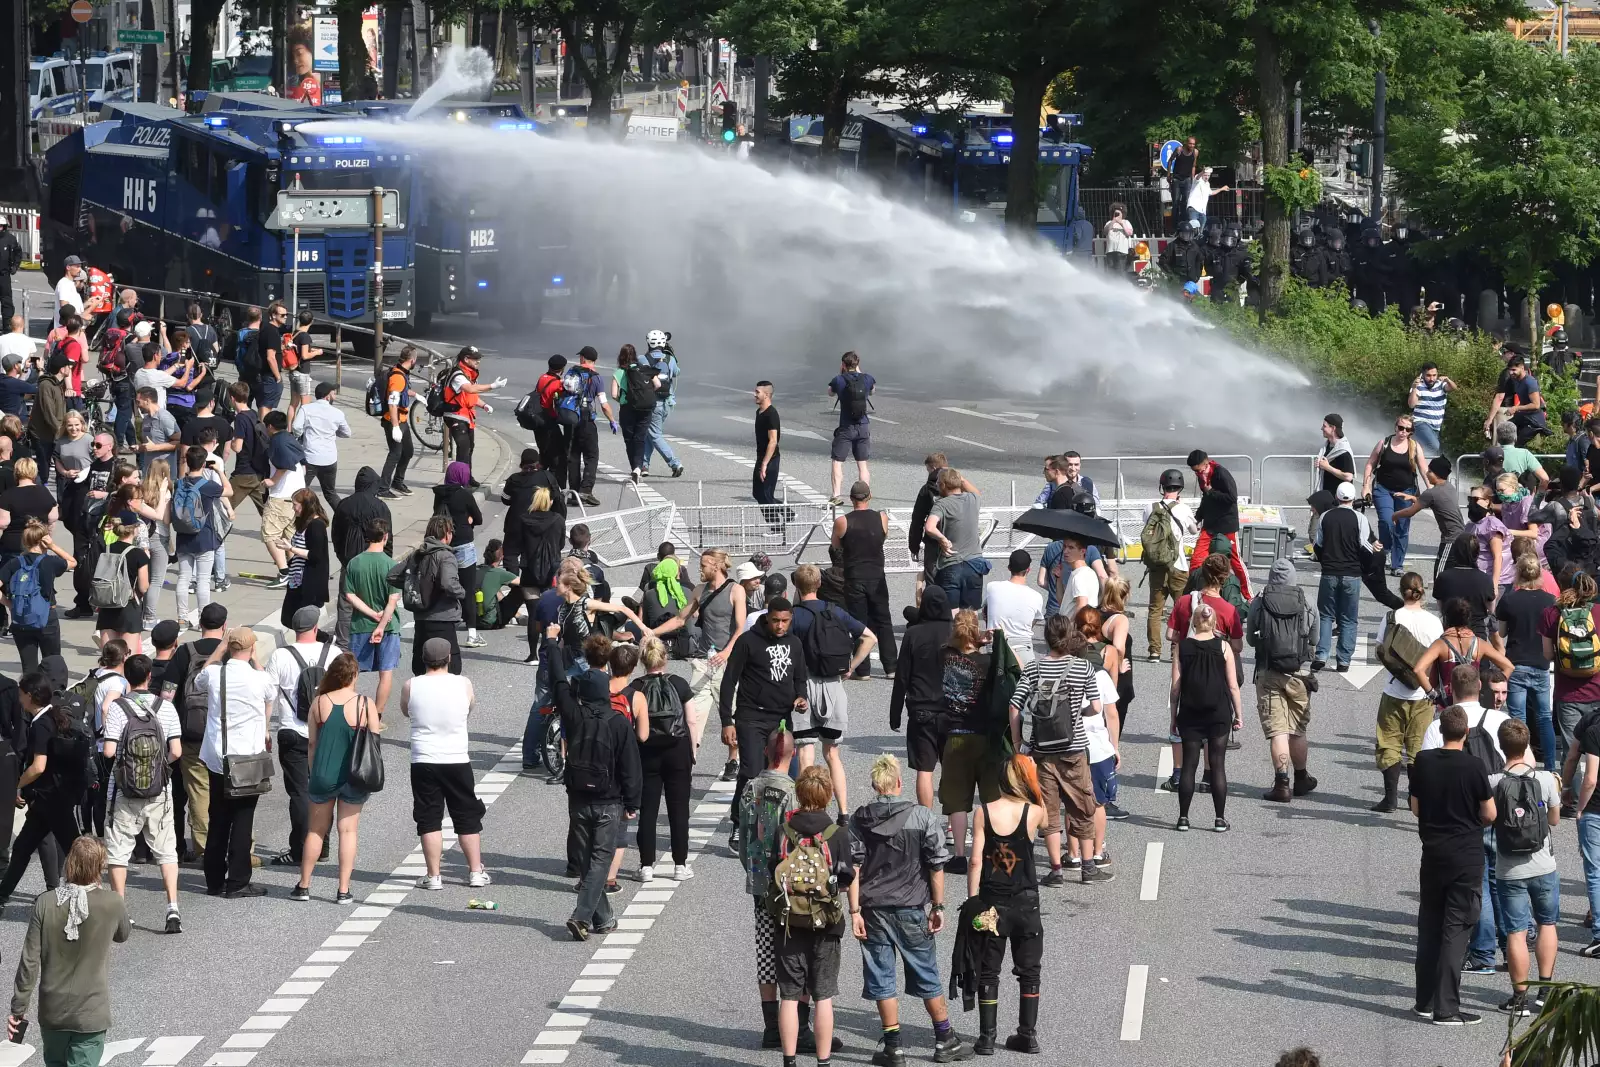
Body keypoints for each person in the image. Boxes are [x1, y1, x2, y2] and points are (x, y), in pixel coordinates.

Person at [845, 753, 965, 1065]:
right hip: (912, 907)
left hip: (872, 910)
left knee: (881, 977)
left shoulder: (860, 819)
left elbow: (853, 869)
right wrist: (938, 906)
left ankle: (893, 1045)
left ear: (875, 784)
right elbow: (937, 866)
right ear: (899, 783)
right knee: (927, 974)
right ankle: (944, 1039)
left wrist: (854, 911)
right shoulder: (922, 817)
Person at [546, 627, 641, 941]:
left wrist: (551, 643)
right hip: (609, 799)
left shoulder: (573, 716)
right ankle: (582, 916)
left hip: (577, 797)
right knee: (601, 860)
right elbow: (630, 767)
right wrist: (632, 803)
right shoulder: (617, 722)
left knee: (588, 862)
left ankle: (604, 919)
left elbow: (559, 681)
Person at [7, 836, 130, 1067]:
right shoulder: (112, 903)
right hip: (91, 1013)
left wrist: (18, 1008)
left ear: (69, 863)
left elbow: (29, 961)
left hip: (53, 1012)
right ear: (100, 867)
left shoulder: (45, 903)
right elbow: (123, 934)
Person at [1409, 704, 1495, 1026]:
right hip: (1465, 858)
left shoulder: (1424, 761)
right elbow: (1490, 814)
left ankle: (1424, 1000)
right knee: (1456, 930)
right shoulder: (1474, 767)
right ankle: (1446, 1008)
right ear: (1467, 732)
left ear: (1441, 730)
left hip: (1432, 854)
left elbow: (1416, 808)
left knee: (1429, 926)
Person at [1009, 616, 1106, 886]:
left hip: (1042, 751)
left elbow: (1015, 706)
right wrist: (1079, 713)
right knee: (1082, 806)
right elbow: (1097, 708)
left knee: (1048, 811)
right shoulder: (1083, 668)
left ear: (1047, 638)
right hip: (1074, 749)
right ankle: (1087, 867)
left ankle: (1056, 871)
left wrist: (1018, 744)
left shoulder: (1033, 668)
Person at [771, 765, 853, 1067]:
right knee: (823, 996)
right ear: (828, 795)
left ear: (799, 793)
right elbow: (846, 878)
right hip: (826, 924)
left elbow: (773, 870)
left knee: (790, 995)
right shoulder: (837, 834)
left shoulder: (784, 831)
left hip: (789, 921)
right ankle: (823, 1061)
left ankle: (789, 1060)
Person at [967, 755, 1047, 1055]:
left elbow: (976, 860)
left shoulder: (982, 812)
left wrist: (973, 900)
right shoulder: (1034, 812)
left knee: (989, 970)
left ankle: (987, 1037)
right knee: (1030, 971)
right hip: (1026, 904)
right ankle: (1027, 1034)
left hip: (991, 903)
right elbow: (1049, 822)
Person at [288, 651, 380, 905]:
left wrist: (313, 770)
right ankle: (343, 890)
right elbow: (374, 741)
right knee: (348, 830)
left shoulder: (319, 703)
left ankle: (304, 885)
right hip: (355, 776)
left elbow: (312, 744)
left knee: (316, 831)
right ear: (354, 676)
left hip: (323, 773)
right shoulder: (365, 703)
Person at [101, 653, 182, 932]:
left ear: (126, 677)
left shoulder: (117, 707)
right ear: (150, 676)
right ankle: (172, 909)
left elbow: (109, 751)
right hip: (160, 791)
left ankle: (120, 912)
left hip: (124, 791)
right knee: (166, 850)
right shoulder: (166, 707)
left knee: (118, 851)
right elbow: (176, 752)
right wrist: (158, 766)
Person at [402, 638, 490, 892]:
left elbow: (406, 710)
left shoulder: (412, 685)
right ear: (449, 658)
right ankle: (475, 871)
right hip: (456, 758)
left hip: (424, 759)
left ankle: (434, 875)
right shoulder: (463, 684)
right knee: (466, 816)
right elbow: (469, 707)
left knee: (429, 817)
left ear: (423, 659)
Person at [194, 627, 275, 898]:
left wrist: (219, 649)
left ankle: (214, 880)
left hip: (218, 756)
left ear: (229, 648)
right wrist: (255, 660)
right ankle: (238, 881)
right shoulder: (259, 678)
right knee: (243, 819)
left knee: (218, 817)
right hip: (247, 758)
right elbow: (270, 693)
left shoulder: (216, 674)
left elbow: (199, 680)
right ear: (252, 650)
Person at [649, 549, 746, 778]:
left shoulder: (736, 590)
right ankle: (688, 759)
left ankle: (734, 759)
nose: (699, 569)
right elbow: (680, 619)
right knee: (692, 714)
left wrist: (727, 651)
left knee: (732, 712)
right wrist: (651, 633)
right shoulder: (700, 591)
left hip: (727, 663)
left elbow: (741, 628)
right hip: (703, 661)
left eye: (703, 565)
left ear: (717, 566)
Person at [790, 564, 877, 813]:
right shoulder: (835, 611)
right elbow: (870, 637)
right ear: (819, 584)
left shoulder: (793, 616)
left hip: (803, 687)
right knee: (832, 754)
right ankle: (843, 812)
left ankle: (807, 810)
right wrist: (850, 667)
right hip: (833, 686)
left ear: (797, 586)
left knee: (805, 750)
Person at [719, 597, 808, 840]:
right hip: (751, 717)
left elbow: (800, 678)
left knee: (781, 774)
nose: (780, 626)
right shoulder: (748, 642)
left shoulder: (795, 644)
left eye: (785, 621)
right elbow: (729, 681)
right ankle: (739, 823)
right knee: (750, 772)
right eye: (776, 621)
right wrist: (726, 719)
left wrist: (801, 697)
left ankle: (776, 824)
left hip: (780, 719)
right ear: (767, 617)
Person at [1490, 717, 1560, 1017]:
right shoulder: (1544, 779)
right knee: (1547, 924)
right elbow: (1555, 820)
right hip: (1543, 865)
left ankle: (1519, 999)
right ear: (1528, 744)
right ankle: (1545, 992)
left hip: (1509, 869)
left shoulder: (1493, 782)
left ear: (1501, 747)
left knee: (1516, 932)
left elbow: (1489, 818)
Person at [0, 672, 88, 906]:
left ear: (29, 696)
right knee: (22, 848)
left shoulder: (41, 725)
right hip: (51, 799)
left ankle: (92, 894)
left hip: (51, 800)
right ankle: (1, 896)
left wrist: (17, 785)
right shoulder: (54, 713)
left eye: (21, 695)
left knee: (75, 849)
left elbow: (39, 767)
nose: (19, 699)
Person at [739, 724, 799, 1049]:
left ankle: (770, 1026)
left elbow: (744, 841)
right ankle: (797, 1025)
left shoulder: (751, 788)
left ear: (766, 752)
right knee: (793, 951)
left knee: (765, 950)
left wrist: (753, 870)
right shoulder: (794, 791)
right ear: (792, 755)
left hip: (760, 882)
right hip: (789, 887)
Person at [266, 605, 334, 869]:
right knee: (325, 789)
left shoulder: (280, 656)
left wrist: (264, 730)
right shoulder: (334, 654)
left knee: (299, 793)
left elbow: (268, 696)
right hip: (327, 731)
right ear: (316, 628)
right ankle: (322, 845)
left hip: (292, 732)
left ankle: (300, 850)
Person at [1246, 558, 1318, 802]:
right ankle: (1301, 778)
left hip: (1268, 672)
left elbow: (1251, 640)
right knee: (1297, 729)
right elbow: (1315, 638)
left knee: (1278, 730)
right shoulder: (1306, 601)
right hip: (1299, 674)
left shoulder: (1260, 601)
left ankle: (1281, 784)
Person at [1372, 574, 1445, 812]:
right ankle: (1414, 798)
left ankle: (1389, 798)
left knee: (1389, 742)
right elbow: (1440, 657)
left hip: (1394, 689)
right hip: (1424, 694)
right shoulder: (1434, 622)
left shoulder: (1391, 618)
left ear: (1401, 590)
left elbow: (1380, 650)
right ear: (1422, 591)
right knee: (1418, 748)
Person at [1169, 601, 1242, 832]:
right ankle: (1219, 819)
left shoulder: (1183, 647)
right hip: (1218, 713)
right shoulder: (1223, 648)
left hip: (1190, 711)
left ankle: (1183, 818)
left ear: (1194, 622)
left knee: (1189, 764)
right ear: (1213, 623)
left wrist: (1173, 717)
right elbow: (1233, 687)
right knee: (1217, 765)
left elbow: (1175, 687)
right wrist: (1238, 715)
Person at [936, 610, 996, 875]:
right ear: (976, 630)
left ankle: (959, 854)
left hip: (955, 733)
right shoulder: (988, 662)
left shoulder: (944, 656)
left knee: (957, 800)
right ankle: (989, 850)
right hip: (983, 733)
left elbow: (949, 645)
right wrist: (984, 642)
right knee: (990, 796)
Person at [633, 639, 694, 883]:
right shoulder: (679, 683)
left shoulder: (636, 687)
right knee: (679, 810)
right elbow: (691, 720)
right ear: (665, 658)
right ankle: (680, 864)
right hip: (678, 750)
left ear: (642, 660)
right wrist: (693, 749)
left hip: (647, 752)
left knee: (648, 810)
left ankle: (646, 865)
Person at [889, 585, 952, 811]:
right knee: (951, 769)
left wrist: (895, 714)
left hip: (921, 710)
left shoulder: (913, 634)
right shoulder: (955, 632)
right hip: (952, 711)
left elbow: (902, 677)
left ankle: (927, 821)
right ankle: (953, 827)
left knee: (925, 771)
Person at [1498, 555, 1558, 771]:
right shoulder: (1549, 600)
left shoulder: (1509, 599)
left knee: (1518, 718)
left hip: (1516, 662)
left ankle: (1521, 764)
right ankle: (1551, 767)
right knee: (1544, 717)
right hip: (1541, 663)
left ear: (1518, 573)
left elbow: (1502, 631)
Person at [832, 481, 896, 680]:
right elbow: (882, 538)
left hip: (854, 577)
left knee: (860, 623)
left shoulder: (843, 521)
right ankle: (891, 667)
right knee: (883, 620)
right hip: (877, 576)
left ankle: (863, 670)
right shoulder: (881, 517)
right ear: (869, 496)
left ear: (851, 499)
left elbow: (836, 547)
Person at [394, 515, 466, 677]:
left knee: (421, 667)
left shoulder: (417, 554)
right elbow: (449, 584)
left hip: (421, 618)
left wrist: (415, 585)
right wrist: (462, 592)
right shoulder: (445, 555)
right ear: (447, 533)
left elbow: (392, 575)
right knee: (450, 669)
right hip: (443, 618)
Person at [344, 519, 402, 714]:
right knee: (386, 673)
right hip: (388, 626)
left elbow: (349, 595)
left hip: (360, 624)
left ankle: (351, 713)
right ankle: (377, 714)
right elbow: (392, 600)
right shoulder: (391, 565)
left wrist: (370, 613)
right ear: (385, 537)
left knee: (352, 673)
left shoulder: (354, 563)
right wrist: (381, 624)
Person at [1543, 569, 1600, 768]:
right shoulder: (1599, 611)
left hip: (1567, 693)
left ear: (1562, 586)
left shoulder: (1552, 612)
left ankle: (1571, 797)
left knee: (1571, 752)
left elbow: (1548, 655)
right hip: (1597, 690)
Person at [0, 519, 73, 672]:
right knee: (52, 662)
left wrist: (8, 603)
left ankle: (28, 694)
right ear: (44, 541)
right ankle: (52, 694)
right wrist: (53, 546)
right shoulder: (50, 562)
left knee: (28, 667)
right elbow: (72, 562)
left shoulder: (15, 563)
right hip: (47, 616)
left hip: (21, 618)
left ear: (25, 542)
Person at [1312, 482, 1370, 672]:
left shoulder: (1326, 516)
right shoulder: (1359, 518)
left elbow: (1318, 545)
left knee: (1326, 615)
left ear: (1336, 498)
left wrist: (1325, 562)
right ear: (1353, 499)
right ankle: (1343, 659)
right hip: (1351, 573)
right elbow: (1365, 547)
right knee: (1348, 618)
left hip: (1329, 572)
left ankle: (1321, 654)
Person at [1141, 469, 1198, 661]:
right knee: (1182, 609)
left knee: (1155, 610)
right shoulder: (1184, 509)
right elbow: (1193, 530)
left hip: (1157, 567)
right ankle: (1176, 650)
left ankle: (1154, 651)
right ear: (1180, 487)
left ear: (1162, 486)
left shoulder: (1150, 507)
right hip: (1178, 566)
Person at [330, 468, 390, 651]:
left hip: (349, 562)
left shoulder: (344, 505)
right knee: (376, 600)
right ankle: (376, 635)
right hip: (376, 560)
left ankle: (342, 644)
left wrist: (343, 558)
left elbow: (336, 535)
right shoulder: (379, 506)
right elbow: (388, 537)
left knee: (346, 603)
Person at [1362, 415, 1426, 577]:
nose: (1403, 432)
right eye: (1401, 428)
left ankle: (1397, 565)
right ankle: (1387, 547)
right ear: (1395, 427)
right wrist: (1366, 486)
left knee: (1402, 528)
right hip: (1383, 488)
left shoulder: (1414, 447)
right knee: (1385, 520)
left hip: (1406, 491)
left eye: (1407, 429)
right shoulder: (1384, 443)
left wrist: (1432, 489)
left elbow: (1424, 470)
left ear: (1411, 432)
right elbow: (1371, 463)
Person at [172, 446, 227, 629]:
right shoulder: (208, 486)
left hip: (183, 537)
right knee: (203, 580)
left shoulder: (178, 483)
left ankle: (181, 618)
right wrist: (219, 471)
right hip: (204, 536)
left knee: (183, 578)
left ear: (187, 462)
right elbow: (228, 491)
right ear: (204, 464)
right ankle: (204, 619)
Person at [433, 461, 485, 649]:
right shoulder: (464, 494)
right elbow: (478, 518)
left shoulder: (439, 494)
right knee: (468, 589)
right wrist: (468, 520)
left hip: (444, 545)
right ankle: (472, 635)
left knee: (446, 586)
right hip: (463, 544)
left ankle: (446, 630)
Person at [1187, 450, 1250, 598]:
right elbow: (1206, 499)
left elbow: (1232, 498)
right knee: (1197, 560)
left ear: (1205, 463)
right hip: (1210, 525)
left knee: (1235, 563)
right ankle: (1197, 593)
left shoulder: (1221, 474)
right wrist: (1198, 517)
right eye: (1194, 471)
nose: (1196, 473)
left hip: (1227, 524)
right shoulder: (1201, 476)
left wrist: (1211, 491)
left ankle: (1248, 596)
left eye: (1197, 470)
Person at [440, 346, 504, 485]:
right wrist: (492, 386)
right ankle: (459, 481)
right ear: (466, 359)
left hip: (466, 416)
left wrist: (484, 405)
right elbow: (469, 389)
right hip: (455, 414)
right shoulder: (458, 375)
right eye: (475, 359)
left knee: (470, 447)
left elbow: (471, 396)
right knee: (463, 448)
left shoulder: (468, 374)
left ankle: (467, 477)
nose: (478, 362)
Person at [924, 468, 983, 610]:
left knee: (951, 614)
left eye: (938, 483)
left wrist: (942, 538)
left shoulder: (942, 504)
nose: (937, 486)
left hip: (951, 565)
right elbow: (975, 491)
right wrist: (959, 478)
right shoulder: (973, 499)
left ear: (944, 485)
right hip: (974, 564)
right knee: (971, 614)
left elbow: (930, 527)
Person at [499, 447, 564, 575]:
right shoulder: (547, 477)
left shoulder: (514, 479)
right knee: (534, 553)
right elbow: (557, 497)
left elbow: (505, 499)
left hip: (515, 523)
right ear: (538, 463)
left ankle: (514, 582)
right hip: (540, 522)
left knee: (511, 554)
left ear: (521, 463)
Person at [93, 510, 149, 654]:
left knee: (109, 656)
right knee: (128, 656)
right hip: (128, 606)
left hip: (107, 604)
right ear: (134, 529)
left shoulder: (106, 550)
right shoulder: (138, 554)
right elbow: (143, 587)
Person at [566, 347, 615, 508]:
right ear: (594, 360)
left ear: (582, 358)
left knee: (573, 457)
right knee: (591, 457)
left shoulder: (571, 372)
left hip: (571, 419)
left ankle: (573, 493)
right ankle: (586, 490)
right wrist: (612, 420)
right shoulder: (597, 378)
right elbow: (604, 404)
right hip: (587, 421)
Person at [291, 381, 351, 511]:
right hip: (329, 459)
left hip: (309, 458)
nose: (334, 396)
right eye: (334, 394)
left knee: (300, 492)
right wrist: (334, 431)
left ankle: (296, 520)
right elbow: (347, 433)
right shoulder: (337, 413)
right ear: (327, 396)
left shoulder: (306, 409)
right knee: (330, 493)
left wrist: (301, 435)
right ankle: (345, 515)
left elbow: (296, 427)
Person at [983, 548, 1045, 666]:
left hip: (997, 645)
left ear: (1009, 568)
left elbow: (986, 610)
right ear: (1028, 570)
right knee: (1024, 683)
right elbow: (1032, 622)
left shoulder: (992, 587)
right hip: (1023, 647)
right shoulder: (1037, 597)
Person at [827, 351, 874, 506]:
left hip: (846, 427)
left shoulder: (839, 380)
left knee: (837, 461)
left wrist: (841, 376)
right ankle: (864, 495)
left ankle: (836, 496)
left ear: (843, 365)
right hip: (863, 426)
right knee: (862, 464)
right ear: (857, 363)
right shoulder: (866, 379)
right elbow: (872, 391)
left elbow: (830, 394)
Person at [378, 346, 416, 499]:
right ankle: (382, 488)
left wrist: (416, 395)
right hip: (394, 421)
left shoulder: (400, 372)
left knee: (408, 451)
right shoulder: (398, 377)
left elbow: (401, 391)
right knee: (395, 454)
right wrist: (395, 427)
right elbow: (392, 403)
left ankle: (398, 482)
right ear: (412, 360)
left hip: (402, 420)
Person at [1409, 364, 1456, 458]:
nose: (1432, 378)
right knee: (1434, 446)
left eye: (1434, 375)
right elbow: (1411, 404)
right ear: (1422, 375)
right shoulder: (1418, 386)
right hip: (1420, 422)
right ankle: (1418, 461)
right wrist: (1414, 388)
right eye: (1428, 375)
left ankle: (1414, 462)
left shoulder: (1441, 384)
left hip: (1435, 426)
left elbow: (1453, 388)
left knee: (1429, 449)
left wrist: (1448, 380)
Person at [752, 381, 783, 523]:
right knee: (758, 493)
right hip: (761, 458)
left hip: (770, 459)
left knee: (765, 494)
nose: (755, 395)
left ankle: (776, 526)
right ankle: (787, 513)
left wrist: (764, 464)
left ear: (767, 395)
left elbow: (773, 441)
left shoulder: (771, 414)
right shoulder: (759, 412)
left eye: (758, 392)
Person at [1052, 535, 1100, 619]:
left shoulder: (1079, 575)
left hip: (1075, 628)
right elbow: (1063, 603)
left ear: (1082, 551)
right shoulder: (1081, 573)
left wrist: (1072, 626)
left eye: (1071, 548)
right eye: (1064, 546)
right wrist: (1058, 578)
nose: (1065, 551)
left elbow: (1082, 605)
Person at [1102, 203, 1134, 275]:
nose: (1116, 215)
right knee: (1111, 272)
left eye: (1118, 213)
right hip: (1110, 251)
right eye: (1115, 213)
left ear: (1122, 214)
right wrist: (1113, 221)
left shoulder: (1126, 222)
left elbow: (1129, 233)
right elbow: (1105, 232)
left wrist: (1121, 223)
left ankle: (1120, 284)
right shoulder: (1109, 223)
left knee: (1120, 271)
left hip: (1121, 251)